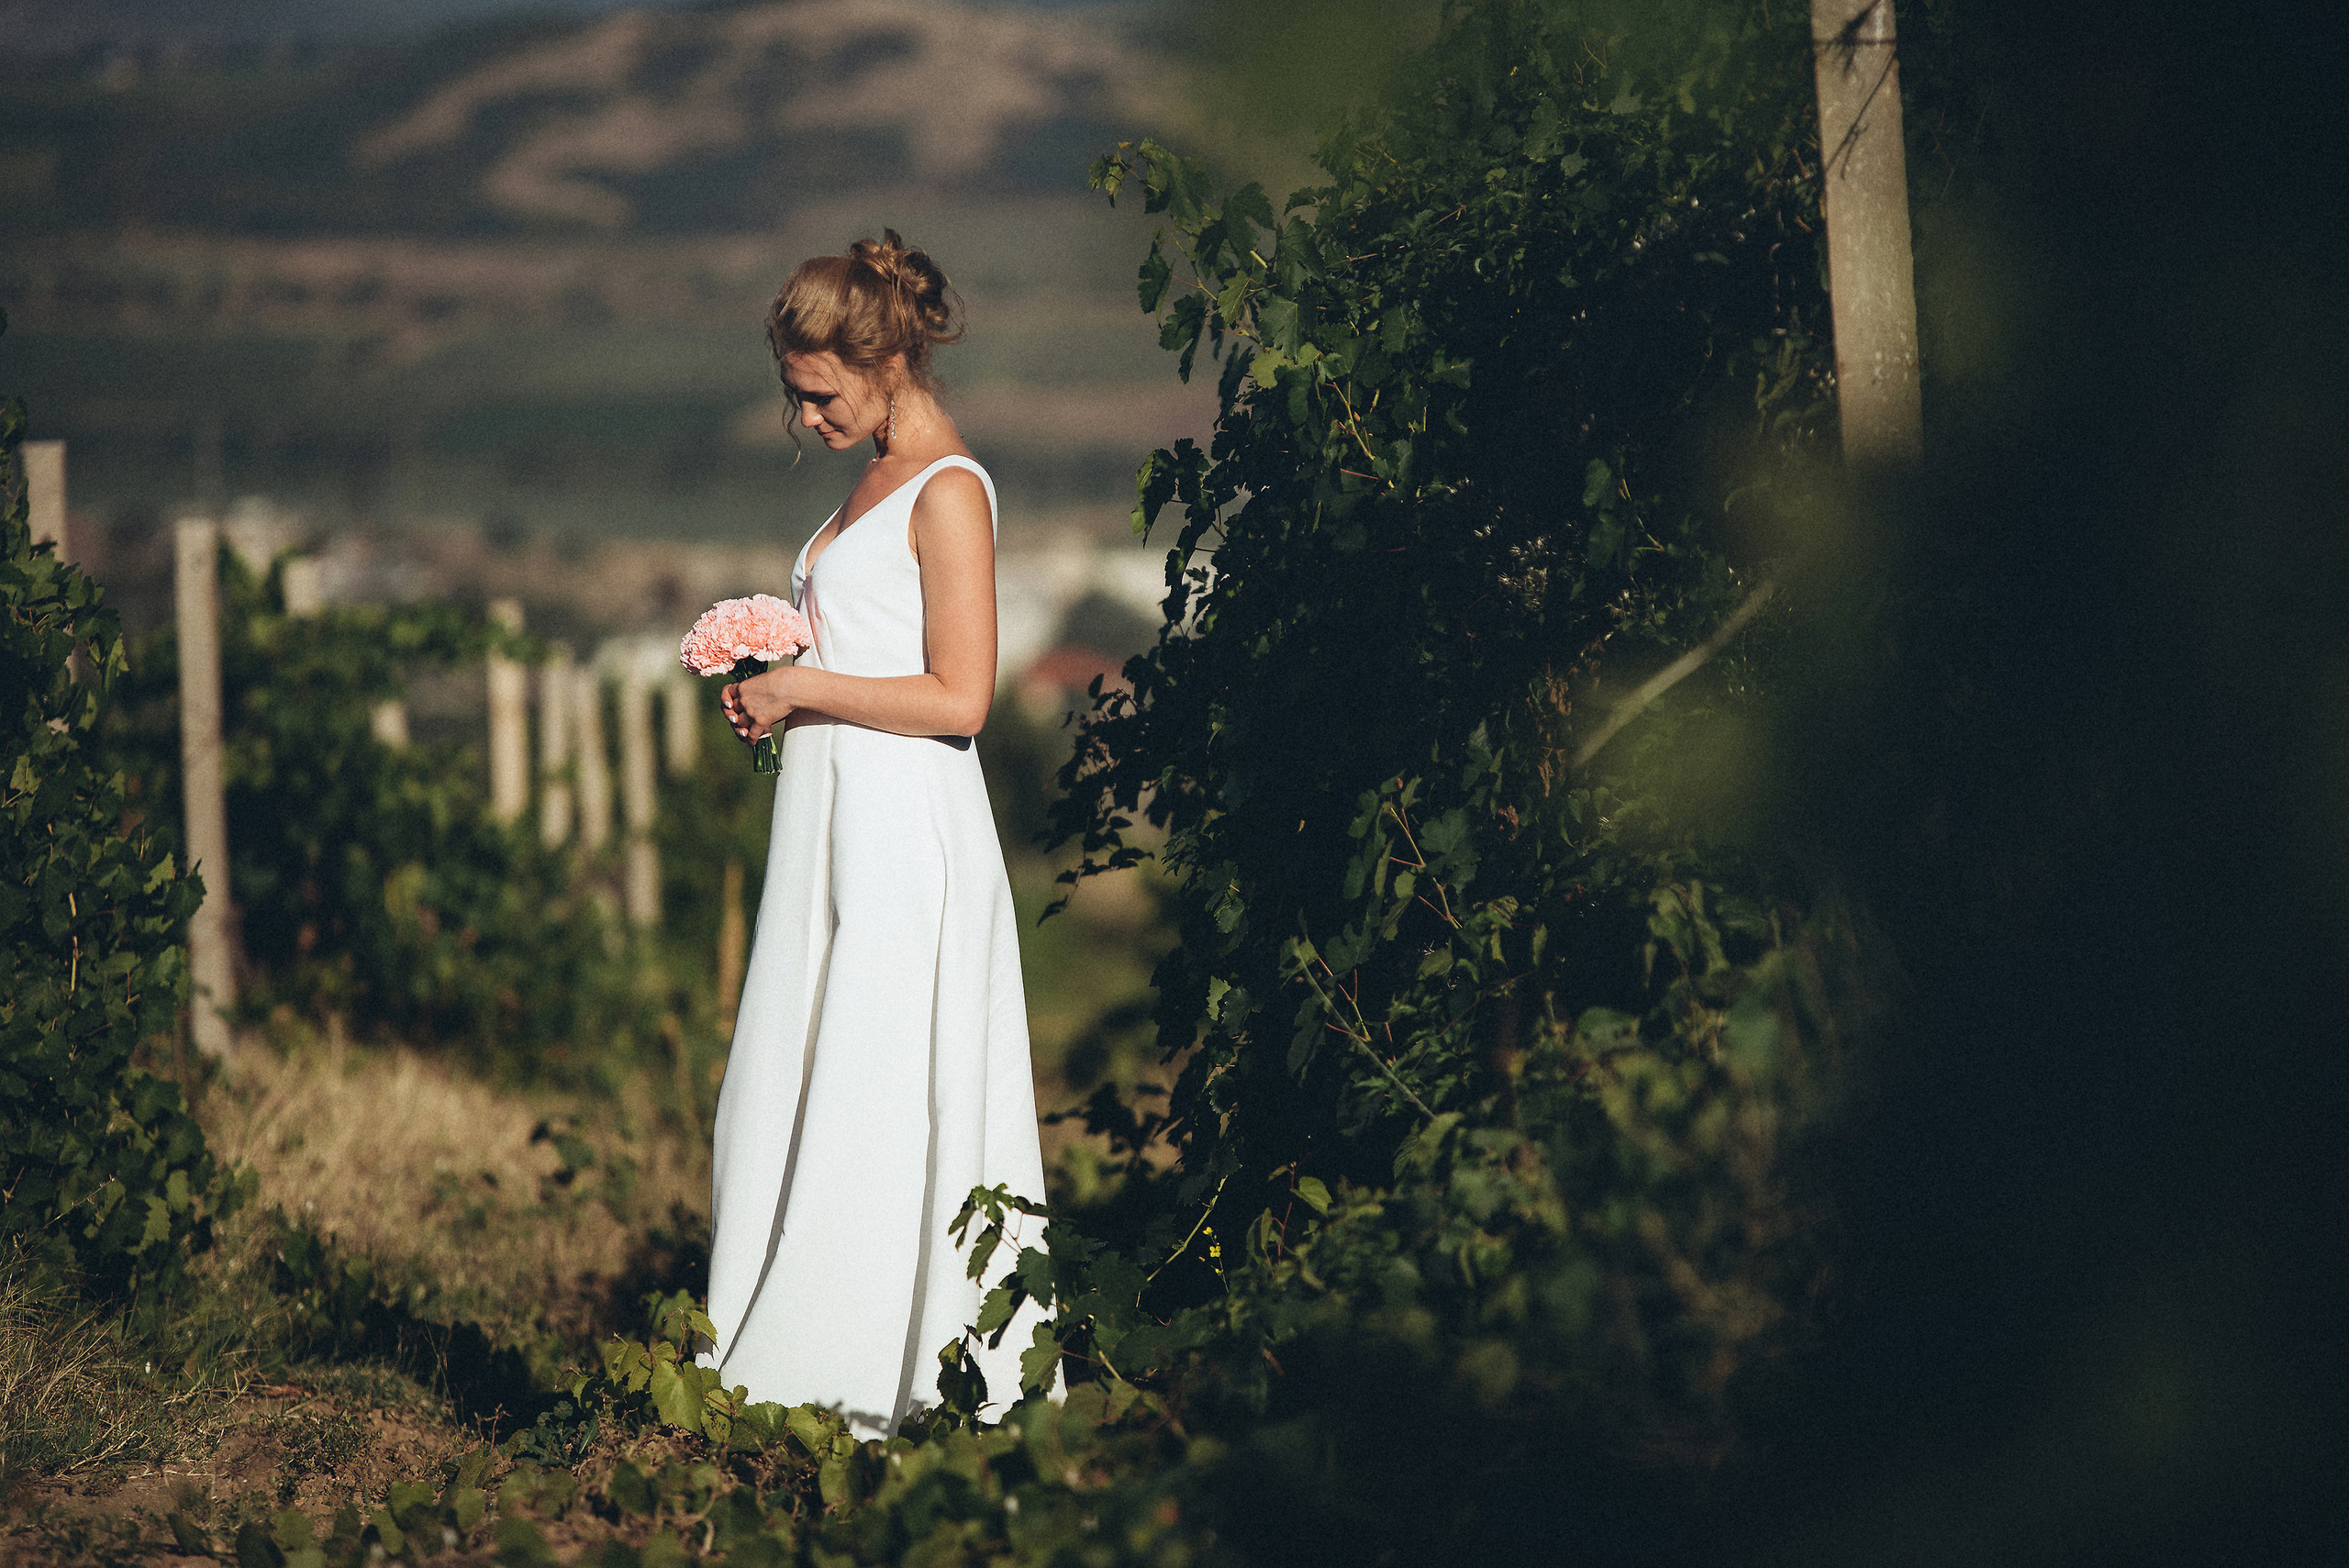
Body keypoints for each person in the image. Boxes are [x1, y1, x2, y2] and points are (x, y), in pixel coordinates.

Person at [702, 230, 1050, 1436]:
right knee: (802, 1076)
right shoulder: (873, 480)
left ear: (891, 356)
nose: (804, 418)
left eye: (820, 392)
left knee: (879, 1089)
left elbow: (962, 698)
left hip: (908, 832)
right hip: (836, 827)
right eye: (795, 393)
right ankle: (796, 1352)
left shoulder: (949, 492)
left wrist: (805, 689)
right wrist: (778, 676)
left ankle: (865, 1381)